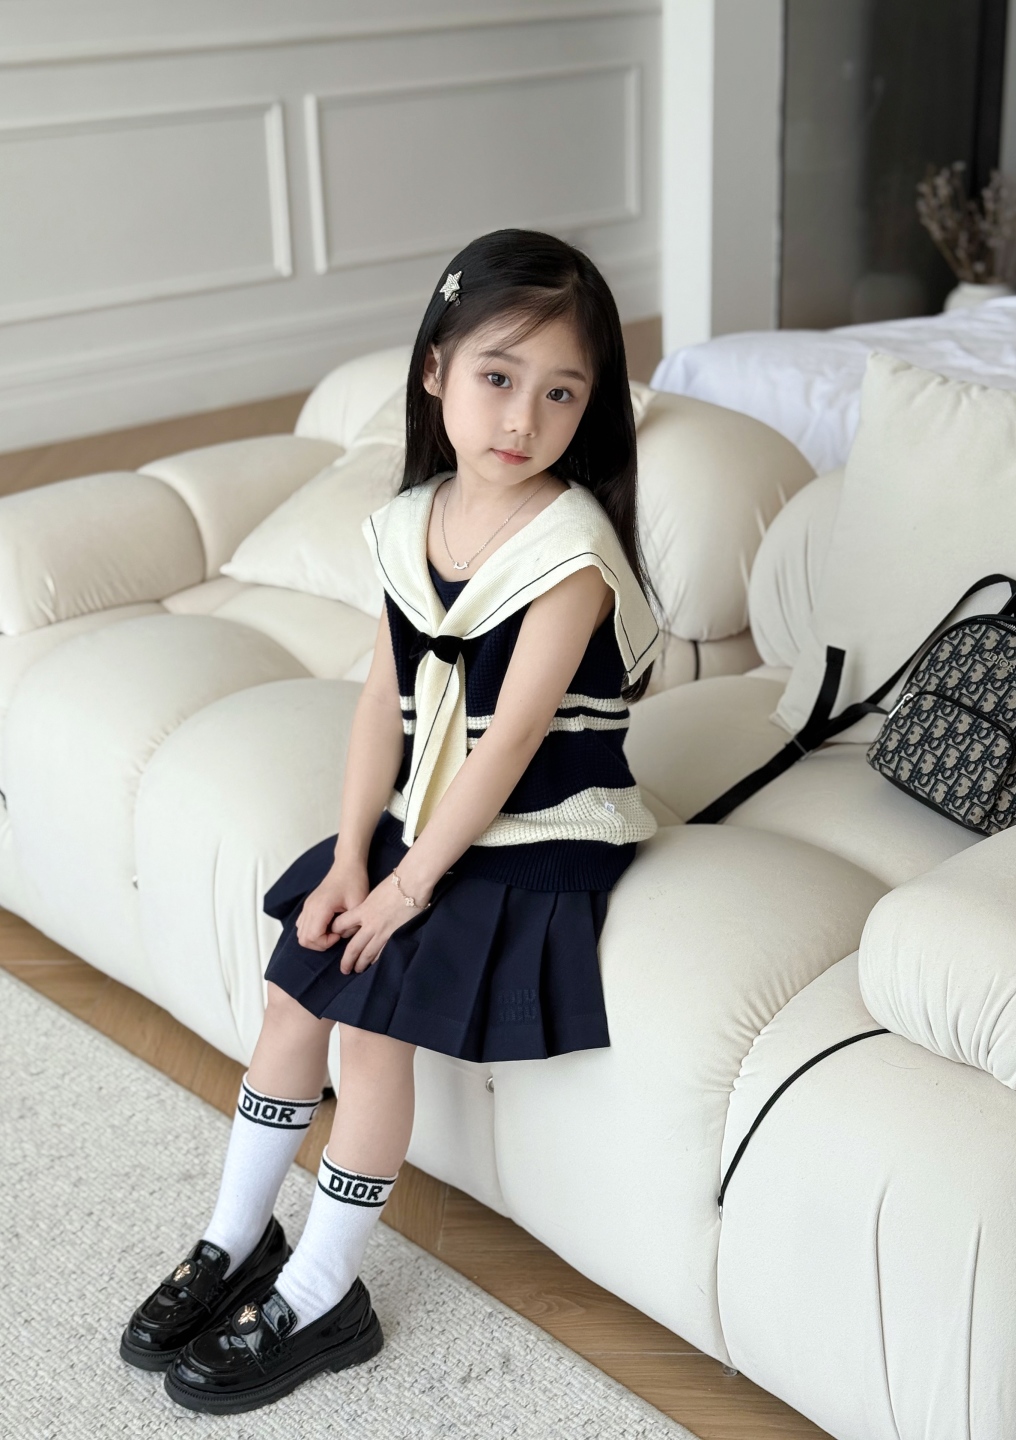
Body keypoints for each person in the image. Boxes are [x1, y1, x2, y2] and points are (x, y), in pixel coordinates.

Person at [120, 228, 665, 1414]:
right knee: (294, 989)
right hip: (428, 814)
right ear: (434, 371)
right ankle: (234, 1238)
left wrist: (406, 888)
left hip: (540, 826)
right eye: (498, 376)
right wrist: (353, 856)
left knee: (367, 1029)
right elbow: (383, 701)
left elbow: (511, 747)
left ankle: (323, 1291)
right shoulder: (410, 520)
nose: (523, 416)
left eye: (562, 392)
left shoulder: (572, 553)